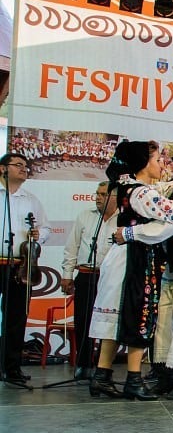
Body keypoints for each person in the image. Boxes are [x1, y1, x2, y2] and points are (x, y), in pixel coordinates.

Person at [88, 141, 173, 400]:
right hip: (158, 264)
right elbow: (157, 203)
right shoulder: (161, 189)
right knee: (157, 321)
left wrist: (131, 232)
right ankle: (158, 376)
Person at [0, 153, 50, 386]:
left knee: (16, 318)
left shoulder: (31, 200)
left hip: (19, 266)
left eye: (25, 166)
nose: (24, 169)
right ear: (3, 168)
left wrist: (38, 237)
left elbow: (46, 228)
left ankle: (11, 368)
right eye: (18, 165)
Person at [61, 181, 118, 379]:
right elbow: (72, 247)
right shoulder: (85, 216)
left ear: (116, 198)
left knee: (108, 322)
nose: (98, 198)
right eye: (97, 193)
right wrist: (67, 275)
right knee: (83, 321)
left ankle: (103, 366)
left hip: (111, 279)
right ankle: (83, 364)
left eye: (103, 194)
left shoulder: (124, 220)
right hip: (86, 275)